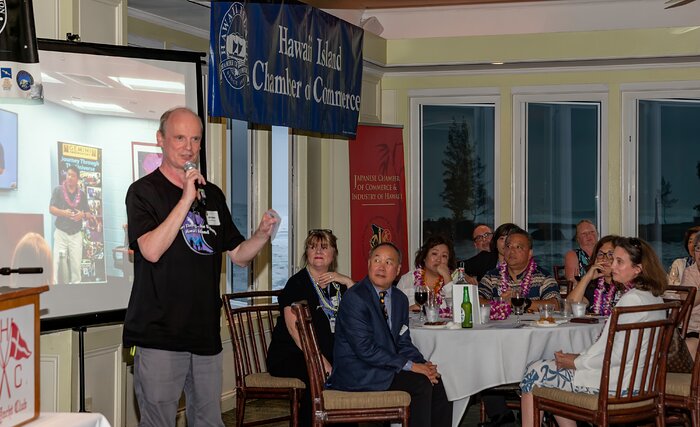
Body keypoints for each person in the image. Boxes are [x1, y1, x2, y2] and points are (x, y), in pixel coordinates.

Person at [123, 107, 279, 427]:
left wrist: (261, 235)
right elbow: (151, 251)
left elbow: (238, 254)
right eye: (180, 137)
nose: (189, 147)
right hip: (159, 335)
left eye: (195, 139)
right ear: (160, 140)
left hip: (205, 334)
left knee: (208, 421)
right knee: (159, 422)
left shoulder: (213, 195)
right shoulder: (143, 192)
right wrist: (184, 199)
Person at [519, 237, 668, 427]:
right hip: (643, 383)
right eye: (613, 259)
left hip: (617, 385)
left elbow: (616, 356)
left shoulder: (631, 301)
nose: (612, 265)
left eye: (619, 262)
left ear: (638, 269)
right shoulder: (654, 298)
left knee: (534, 372)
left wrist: (576, 362)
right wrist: (578, 357)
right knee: (549, 373)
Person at [327, 242, 453, 427]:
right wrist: (411, 367)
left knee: (439, 383)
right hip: (359, 372)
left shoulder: (400, 299)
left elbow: (402, 341)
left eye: (388, 262)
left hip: (384, 367)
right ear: (369, 263)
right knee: (421, 384)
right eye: (376, 260)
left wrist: (423, 364)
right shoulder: (355, 298)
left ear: (398, 270)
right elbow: (365, 350)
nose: (381, 267)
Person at [266, 229, 354, 425]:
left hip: (329, 354)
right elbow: (295, 331)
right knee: (316, 376)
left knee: (353, 373)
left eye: (324, 247)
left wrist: (347, 281)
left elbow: (364, 312)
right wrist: (320, 362)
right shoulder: (296, 284)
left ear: (334, 253)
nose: (318, 251)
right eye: (312, 247)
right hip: (293, 355)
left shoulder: (339, 285)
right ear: (306, 253)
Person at [478, 227, 560, 311]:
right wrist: (500, 303)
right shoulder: (492, 277)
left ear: (530, 253)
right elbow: (475, 301)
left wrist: (520, 302)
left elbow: (556, 305)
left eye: (518, 247)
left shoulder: (543, 277)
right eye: (508, 246)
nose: (512, 251)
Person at [49, 164, 89, 283]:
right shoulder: (58, 190)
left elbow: (88, 213)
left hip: (76, 235)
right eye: (68, 174)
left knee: (76, 265)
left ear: (77, 179)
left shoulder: (81, 194)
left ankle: (75, 291)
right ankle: (56, 290)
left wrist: (82, 215)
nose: (70, 177)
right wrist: (63, 213)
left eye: (73, 175)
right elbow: (51, 209)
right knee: (56, 263)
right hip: (61, 234)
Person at [396, 235, 457, 311]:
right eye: (434, 254)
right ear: (424, 257)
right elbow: (394, 311)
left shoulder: (455, 280)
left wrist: (447, 277)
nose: (439, 260)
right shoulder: (408, 279)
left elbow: (458, 310)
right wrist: (409, 310)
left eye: (444, 256)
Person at [566, 235, 620, 315]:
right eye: (600, 254)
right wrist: (587, 278)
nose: (604, 259)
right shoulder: (594, 285)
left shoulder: (625, 286)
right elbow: (569, 307)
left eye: (610, 254)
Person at [679, 233, 700, 358]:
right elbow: (689, 301)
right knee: (690, 345)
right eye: (698, 248)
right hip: (691, 328)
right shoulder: (689, 273)